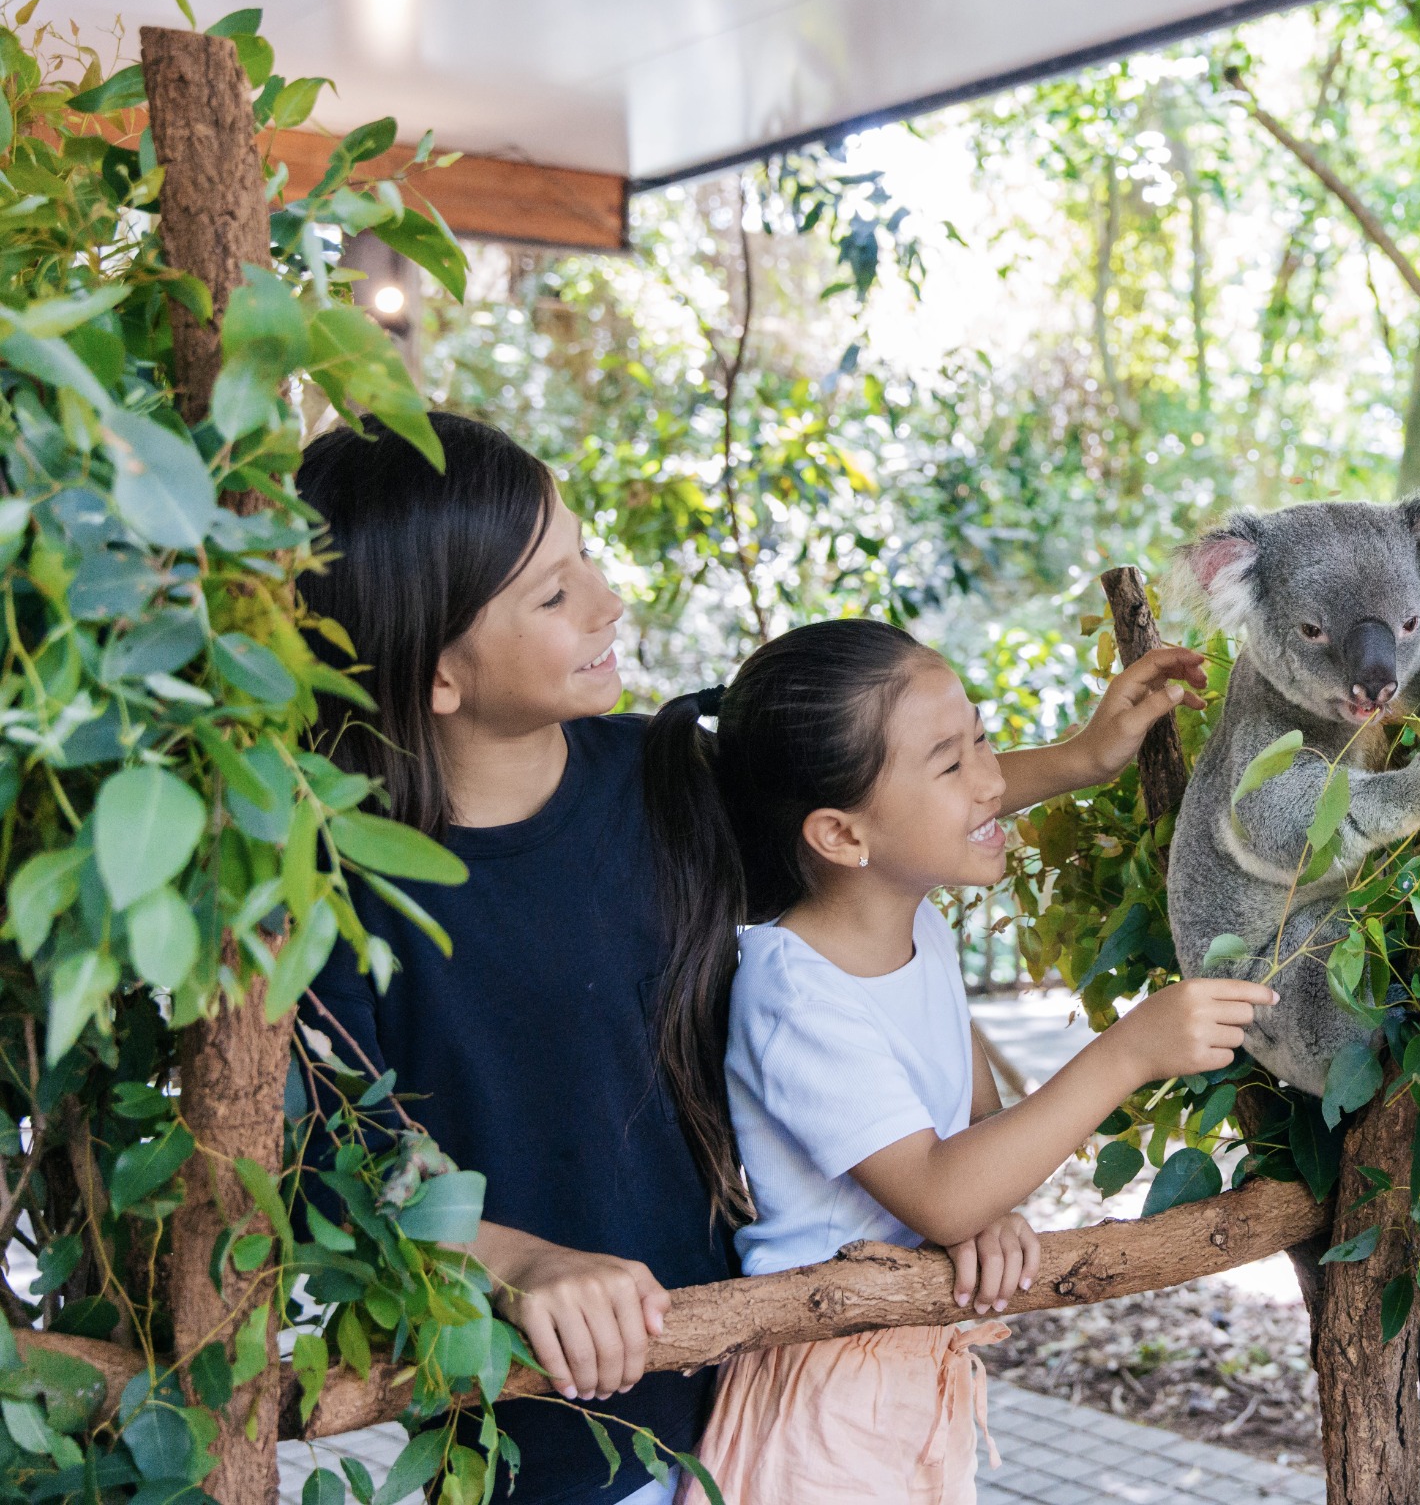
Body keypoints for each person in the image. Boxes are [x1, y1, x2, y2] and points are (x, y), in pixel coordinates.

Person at [297, 413, 1209, 1505]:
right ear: (438, 674)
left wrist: (1075, 760)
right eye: (552, 593)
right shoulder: (331, 893)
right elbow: (331, 1156)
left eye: (584, 556)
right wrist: (511, 1258)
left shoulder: (663, 775)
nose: (606, 599)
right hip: (547, 1438)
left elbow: (872, 804)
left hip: (760, 1392)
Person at [640, 618, 1277, 1504]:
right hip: (824, 1395)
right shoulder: (793, 991)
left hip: (913, 1365)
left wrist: (985, 1213)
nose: (990, 777)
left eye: (980, 735)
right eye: (952, 761)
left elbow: (971, 1134)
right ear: (839, 835)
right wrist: (1126, 1052)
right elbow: (938, 1185)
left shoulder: (914, 921)